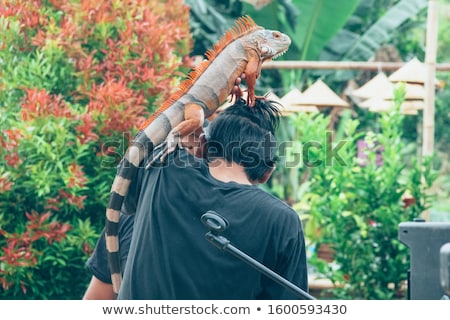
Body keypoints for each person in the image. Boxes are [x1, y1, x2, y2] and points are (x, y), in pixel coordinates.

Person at [84, 98, 308, 299]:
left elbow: (171, 113)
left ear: (204, 146)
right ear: (267, 171)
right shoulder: (282, 221)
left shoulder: (161, 166)